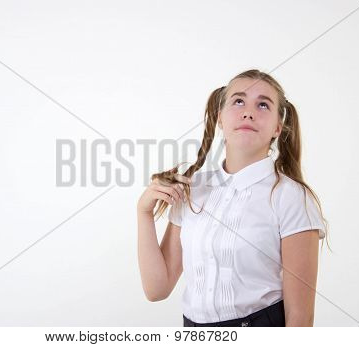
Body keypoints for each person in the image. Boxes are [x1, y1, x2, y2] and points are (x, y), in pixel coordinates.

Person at [137, 69, 331, 327]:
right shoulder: (193, 188)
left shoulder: (291, 197)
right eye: (238, 101)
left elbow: (300, 318)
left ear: (277, 127)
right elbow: (156, 289)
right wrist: (143, 213)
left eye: (263, 104)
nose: (248, 111)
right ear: (220, 119)